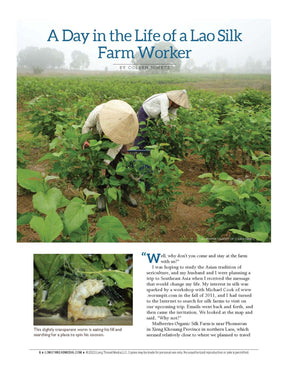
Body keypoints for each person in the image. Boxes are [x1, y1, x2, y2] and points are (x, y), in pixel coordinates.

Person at [82, 99, 139, 210]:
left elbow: (114, 149)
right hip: (98, 140)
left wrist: (106, 163)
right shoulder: (98, 112)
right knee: (97, 166)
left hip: (116, 143)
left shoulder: (124, 128)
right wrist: (86, 140)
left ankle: (126, 192)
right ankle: (101, 194)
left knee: (122, 164)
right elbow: (86, 126)